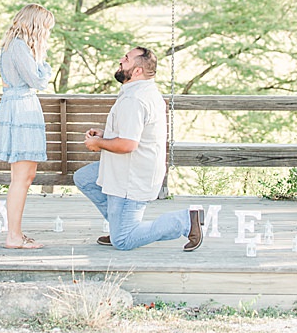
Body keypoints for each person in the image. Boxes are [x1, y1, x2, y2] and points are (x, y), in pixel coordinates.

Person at [74, 47, 204, 252]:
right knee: (84, 178)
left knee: (123, 241)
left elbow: (128, 144)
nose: (120, 60)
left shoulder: (134, 100)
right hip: (129, 169)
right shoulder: (144, 91)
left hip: (131, 178)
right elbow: (134, 134)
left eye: (126, 59)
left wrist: (97, 144)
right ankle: (120, 224)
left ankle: (185, 221)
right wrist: (105, 135)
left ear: (137, 71)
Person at [0, 4, 56, 249]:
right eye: (45, 27)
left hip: (21, 107)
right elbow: (38, 80)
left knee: (25, 176)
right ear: (35, 25)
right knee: (21, 177)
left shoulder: (16, 47)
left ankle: (16, 233)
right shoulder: (19, 47)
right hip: (21, 110)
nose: (47, 33)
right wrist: (45, 68)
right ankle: (13, 236)